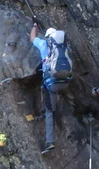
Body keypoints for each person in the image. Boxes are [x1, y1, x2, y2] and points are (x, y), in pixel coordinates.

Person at [30, 22, 70, 154]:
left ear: (48, 37)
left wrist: (35, 26)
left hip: (52, 84)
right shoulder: (64, 47)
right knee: (46, 88)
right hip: (66, 81)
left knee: (49, 112)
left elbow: (32, 38)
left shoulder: (43, 44)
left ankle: (49, 142)